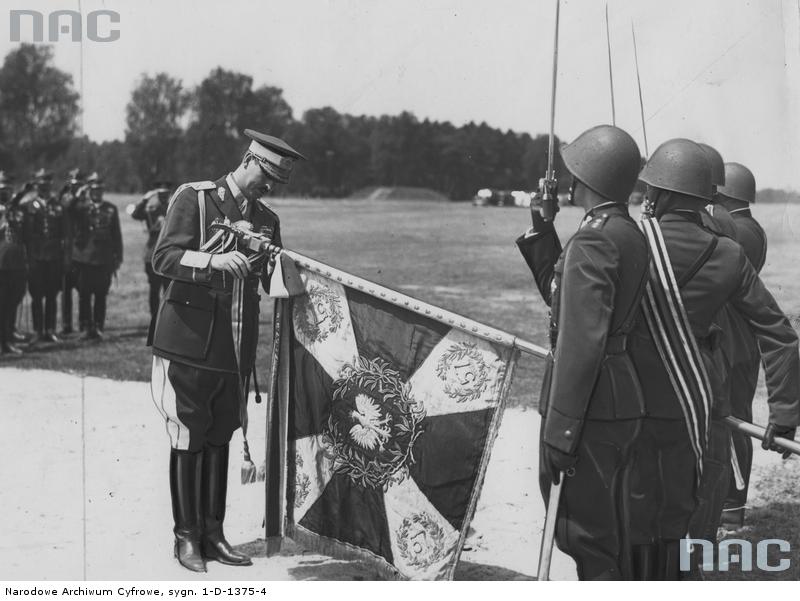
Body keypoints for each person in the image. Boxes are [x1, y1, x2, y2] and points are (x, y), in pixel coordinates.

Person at [631, 139, 800, 578]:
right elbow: (781, 336)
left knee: (638, 515)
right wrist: (783, 412)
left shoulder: (627, 242)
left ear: (660, 193)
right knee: (700, 517)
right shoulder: (728, 253)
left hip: (637, 397)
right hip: (704, 394)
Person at [149, 129, 305, 572]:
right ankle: (186, 538)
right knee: (187, 434)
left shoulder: (267, 220)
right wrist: (211, 261)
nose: (270, 187)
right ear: (249, 161)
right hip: (187, 342)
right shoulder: (196, 198)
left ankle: (214, 534)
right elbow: (164, 258)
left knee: (220, 435)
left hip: (234, 348)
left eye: (278, 181)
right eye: (268, 176)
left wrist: (290, 274)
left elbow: (271, 278)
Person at [516, 125, 648, 580]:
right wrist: (543, 226)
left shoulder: (594, 239)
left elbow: (580, 340)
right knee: (609, 526)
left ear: (590, 177)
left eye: (575, 172)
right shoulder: (624, 231)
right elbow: (563, 297)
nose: (568, 181)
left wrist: (562, 431)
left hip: (590, 407)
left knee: (584, 533)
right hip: (618, 397)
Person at [716, 162, 768, 529]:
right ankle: (729, 502)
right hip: (741, 338)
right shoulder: (749, 226)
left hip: (733, 340)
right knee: (734, 419)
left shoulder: (740, 230)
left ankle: (732, 504)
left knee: (734, 421)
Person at [71, 173, 123, 340]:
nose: (97, 193)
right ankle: (86, 327)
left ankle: (99, 327)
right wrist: (79, 194)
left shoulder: (110, 208)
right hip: (84, 258)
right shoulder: (82, 207)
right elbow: (69, 209)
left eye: (99, 190)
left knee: (101, 294)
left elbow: (117, 234)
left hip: (104, 258)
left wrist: (118, 256)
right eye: (93, 190)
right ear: (89, 191)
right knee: (84, 294)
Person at [20, 168, 66, 343]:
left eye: (47, 182)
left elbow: (65, 232)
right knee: (37, 295)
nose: (44, 186)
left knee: (52, 295)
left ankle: (50, 330)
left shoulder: (57, 205)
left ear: (50, 184)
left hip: (54, 256)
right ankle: (38, 330)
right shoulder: (27, 206)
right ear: (36, 184)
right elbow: (24, 233)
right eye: (40, 182)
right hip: (35, 256)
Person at [130, 180, 172, 324]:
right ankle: (154, 318)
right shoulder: (151, 209)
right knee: (154, 289)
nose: (163, 196)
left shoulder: (174, 208)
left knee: (169, 289)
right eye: (160, 194)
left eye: (166, 194)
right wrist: (145, 199)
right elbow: (135, 214)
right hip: (152, 254)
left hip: (170, 254)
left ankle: (167, 319)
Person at [0, 172, 28, 355]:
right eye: (3, 189)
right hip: (1, 263)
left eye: (8, 189)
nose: (6, 192)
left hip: (17, 262)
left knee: (12, 302)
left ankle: (8, 340)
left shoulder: (17, 210)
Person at [60, 168, 89, 335]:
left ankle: (83, 322)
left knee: (83, 289)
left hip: (81, 249)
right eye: (74, 184)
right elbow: (67, 205)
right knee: (66, 291)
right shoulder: (66, 197)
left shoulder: (85, 199)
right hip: (66, 250)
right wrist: (77, 194)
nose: (77, 187)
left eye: (79, 184)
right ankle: (66, 324)